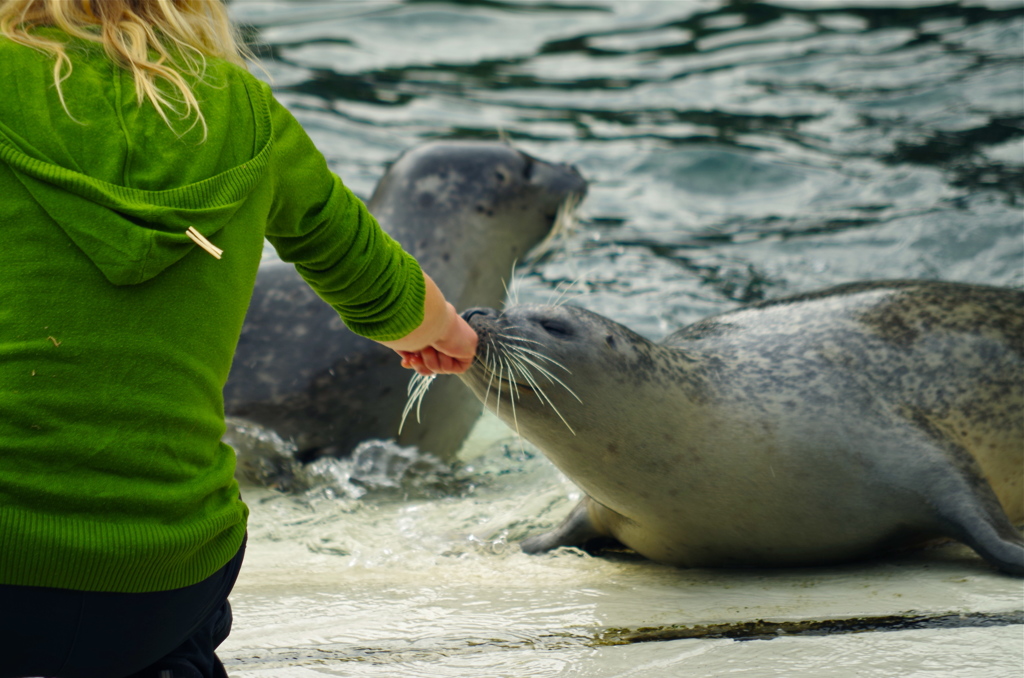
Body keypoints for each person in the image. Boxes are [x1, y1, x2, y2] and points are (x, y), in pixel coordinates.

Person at [0, 1, 477, 676]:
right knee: (177, 630)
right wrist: (449, 334)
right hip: (161, 579)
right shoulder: (245, 111)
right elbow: (373, 277)